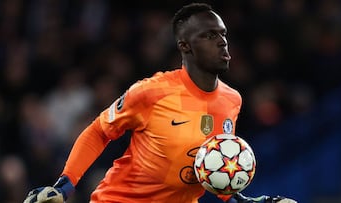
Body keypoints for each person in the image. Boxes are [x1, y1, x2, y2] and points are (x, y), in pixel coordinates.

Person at [23, 3, 297, 203]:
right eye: (209, 36)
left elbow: (210, 168)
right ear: (184, 46)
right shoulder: (151, 92)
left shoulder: (231, 100)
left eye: (223, 34)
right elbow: (99, 131)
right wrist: (65, 185)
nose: (222, 43)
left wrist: (247, 201)